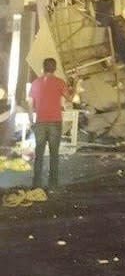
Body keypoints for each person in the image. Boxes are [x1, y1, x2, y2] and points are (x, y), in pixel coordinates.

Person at [28, 58, 73, 190]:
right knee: (54, 154)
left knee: (39, 154)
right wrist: (75, 84)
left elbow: (30, 105)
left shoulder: (35, 83)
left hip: (40, 123)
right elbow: (70, 98)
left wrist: (32, 122)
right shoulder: (60, 82)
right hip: (55, 122)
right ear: (55, 68)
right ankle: (53, 185)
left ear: (43, 68)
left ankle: (36, 184)